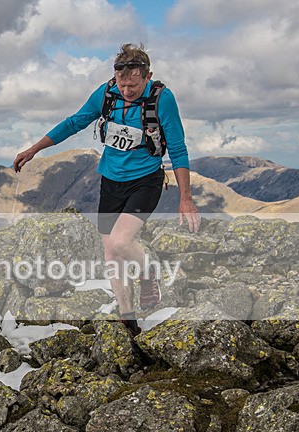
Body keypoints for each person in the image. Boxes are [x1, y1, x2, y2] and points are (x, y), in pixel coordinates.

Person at [13, 43, 200, 336]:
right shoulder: (106, 93)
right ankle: (129, 321)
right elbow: (75, 122)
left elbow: (177, 147)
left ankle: (149, 273)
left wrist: (186, 198)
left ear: (147, 75)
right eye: (123, 84)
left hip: (146, 180)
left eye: (134, 85)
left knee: (121, 241)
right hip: (111, 181)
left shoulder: (163, 99)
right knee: (111, 254)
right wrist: (36, 148)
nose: (127, 91)